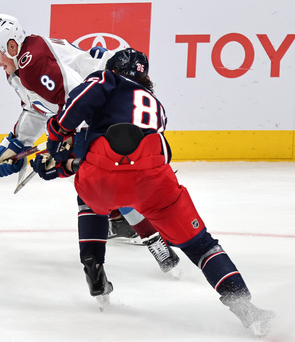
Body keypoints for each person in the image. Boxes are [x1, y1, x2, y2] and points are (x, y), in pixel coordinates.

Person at [42, 47, 275, 336]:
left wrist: (56, 142)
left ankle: (95, 271)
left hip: (103, 178)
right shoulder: (156, 105)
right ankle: (246, 309)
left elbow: (80, 113)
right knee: (202, 244)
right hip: (154, 181)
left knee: (90, 199)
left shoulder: (107, 79)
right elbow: (139, 151)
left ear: (114, 68)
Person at [0, 13, 179, 273]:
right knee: (102, 180)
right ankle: (120, 222)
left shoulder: (34, 64)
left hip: (115, 107)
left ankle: (154, 242)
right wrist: (15, 144)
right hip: (102, 109)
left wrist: (69, 143)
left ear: (11, 45)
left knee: (103, 177)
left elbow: (80, 99)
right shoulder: (20, 68)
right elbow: (38, 109)